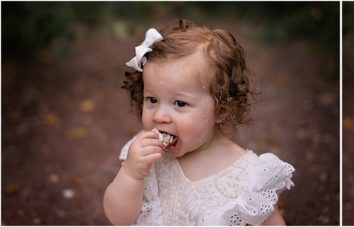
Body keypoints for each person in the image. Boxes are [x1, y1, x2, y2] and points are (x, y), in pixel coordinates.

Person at [103, 20, 294, 225]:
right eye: (152, 99)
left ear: (221, 110)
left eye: (179, 103)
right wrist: (131, 174)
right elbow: (119, 219)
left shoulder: (247, 176)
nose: (159, 116)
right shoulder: (145, 157)